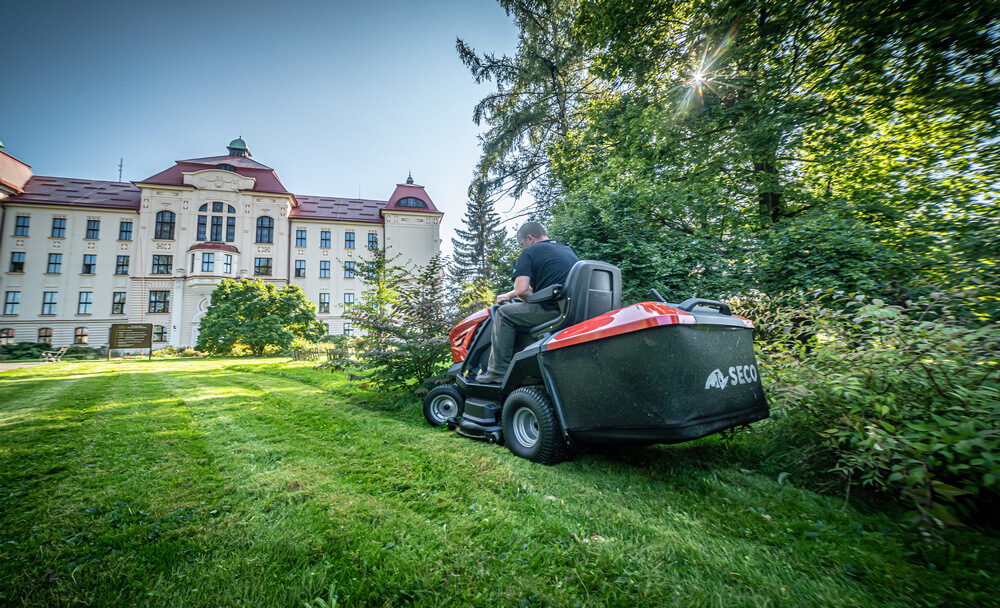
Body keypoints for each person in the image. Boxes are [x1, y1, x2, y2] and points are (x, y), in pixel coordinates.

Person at [475, 222, 579, 384]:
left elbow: (523, 291)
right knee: (511, 307)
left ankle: (497, 371)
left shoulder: (529, 252)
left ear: (530, 239)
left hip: (552, 310)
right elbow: (541, 287)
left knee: (503, 313)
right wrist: (509, 295)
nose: (522, 248)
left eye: (521, 244)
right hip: (573, 309)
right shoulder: (565, 250)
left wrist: (521, 297)